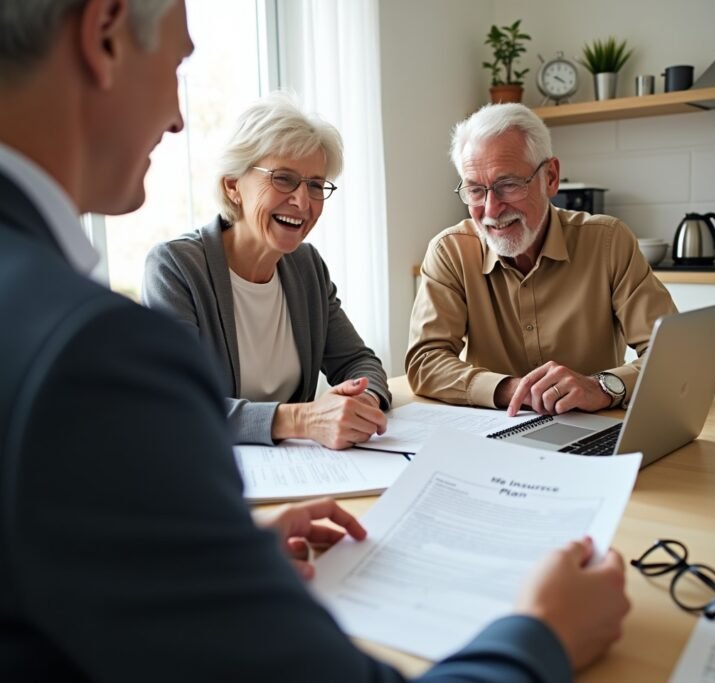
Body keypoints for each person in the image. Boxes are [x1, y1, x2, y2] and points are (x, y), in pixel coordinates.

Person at [0, 1, 630, 680]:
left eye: (316, 184)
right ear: (103, 33)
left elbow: (71, 570)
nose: (180, 115)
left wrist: (356, 400)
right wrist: (542, 636)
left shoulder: (300, 268)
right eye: (178, 63)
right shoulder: (96, 338)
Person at [142, 94, 390, 449]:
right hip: (211, 470)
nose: (303, 202)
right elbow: (175, 402)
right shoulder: (176, 267)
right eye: (284, 179)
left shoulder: (307, 267)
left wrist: (362, 404)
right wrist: (305, 419)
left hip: (301, 471)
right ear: (233, 186)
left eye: (316, 185)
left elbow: (358, 361)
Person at [406, 103, 677, 416]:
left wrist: (601, 387)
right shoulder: (450, 252)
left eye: (508, 185)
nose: (492, 210)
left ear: (550, 177)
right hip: (496, 431)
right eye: (476, 191)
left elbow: (671, 355)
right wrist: (513, 391)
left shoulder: (607, 242)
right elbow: (425, 361)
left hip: (595, 429)